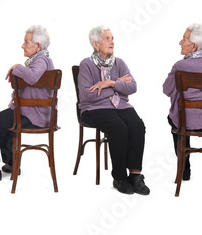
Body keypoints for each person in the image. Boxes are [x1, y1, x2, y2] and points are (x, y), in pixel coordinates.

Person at [0, 25, 55, 182]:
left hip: (34, 115)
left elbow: (32, 77)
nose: (22, 45)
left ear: (38, 45)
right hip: (34, 113)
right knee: (4, 123)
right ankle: (12, 165)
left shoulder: (42, 60)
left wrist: (17, 67)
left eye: (26, 42)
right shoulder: (39, 60)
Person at [77, 26, 149, 195]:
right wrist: (118, 85)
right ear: (96, 44)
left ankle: (135, 175)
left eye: (112, 38)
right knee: (118, 127)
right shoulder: (86, 64)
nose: (112, 42)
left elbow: (133, 87)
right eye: (107, 39)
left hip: (121, 106)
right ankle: (119, 178)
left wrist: (109, 83)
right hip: (94, 108)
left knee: (137, 126)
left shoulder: (120, 63)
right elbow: (87, 95)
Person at [163, 23, 202, 181]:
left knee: (175, 120)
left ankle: (184, 170)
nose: (180, 42)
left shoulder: (180, 66)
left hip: (185, 121)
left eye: (184, 39)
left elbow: (166, 90)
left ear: (193, 45)